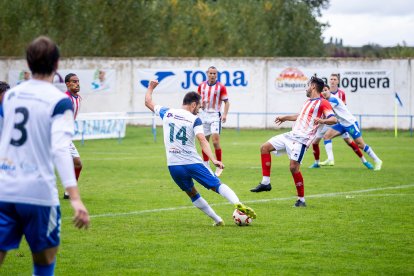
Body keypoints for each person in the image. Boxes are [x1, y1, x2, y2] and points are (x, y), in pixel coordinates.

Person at [0, 36, 89, 274]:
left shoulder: (11, 96)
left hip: (5, 190)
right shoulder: (60, 102)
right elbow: (60, 149)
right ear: (57, 64)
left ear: (28, 63)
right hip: (38, 192)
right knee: (44, 259)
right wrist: (75, 197)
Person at [145, 79, 255, 226]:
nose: (200, 110)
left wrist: (151, 87)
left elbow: (148, 102)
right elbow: (203, 141)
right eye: (199, 107)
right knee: (216, 185)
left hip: (174, 166)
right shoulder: (194, 119)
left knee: (192, 193)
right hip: (193, 162)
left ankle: (217, 220)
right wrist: (214, 159)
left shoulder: (167, 113)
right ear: (193, 104)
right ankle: (237, 202)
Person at [250, 77, 337, 207]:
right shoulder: (307, 102)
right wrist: (285, 118)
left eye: (308, 85)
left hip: (302, 140)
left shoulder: (323, 103)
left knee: (293, 168)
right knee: (264, 148)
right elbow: (300, 116)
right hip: (290, 135)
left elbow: (333, 119)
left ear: (313, 86)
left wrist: (322, 121)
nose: (306, 88)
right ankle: (265, 183)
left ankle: (301, 200)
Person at [315, 85, 383, 171]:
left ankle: (377, 160)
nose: (324, 92)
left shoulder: (333, 99)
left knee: (360, 144)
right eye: (322, 91)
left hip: (350, 123)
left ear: (329, 91)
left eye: (325, 90)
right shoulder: (327, 100)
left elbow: (324, 110)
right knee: (326, 136)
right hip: (341, 124)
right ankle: (330, 159)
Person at [197, 66, 229, 177]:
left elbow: (226, 102)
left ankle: (219, 165)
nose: (212, 75)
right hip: (203, 115)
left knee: (215, 142)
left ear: (217, 74)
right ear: (207, 74)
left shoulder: (221, 87)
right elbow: (198, 100)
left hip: (215, 115)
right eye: (210, 73)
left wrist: (224, 114)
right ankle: (206, 165)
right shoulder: (202, 85)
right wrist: (199, 106)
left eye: (214, 73)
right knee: (204, 141)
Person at [317, 73, 348, 166]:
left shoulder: (341, 94)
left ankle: (365, 160)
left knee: (351, 142)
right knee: (318, 140)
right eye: (331, 79)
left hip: (341, 121)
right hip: (328, 122)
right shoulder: (323, 93)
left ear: (338, 81)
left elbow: (343, 107)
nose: (333, 81)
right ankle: (318, 162)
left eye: (335, 79)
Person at [63, 73, 83, 199]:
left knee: (77, 164)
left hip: (66, 136)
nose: (77, 83)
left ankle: (68, 191)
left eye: (78, 81)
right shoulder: (64, 99)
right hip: (59, 136)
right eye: (74, 81)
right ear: (67, 84)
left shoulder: (79, 98)